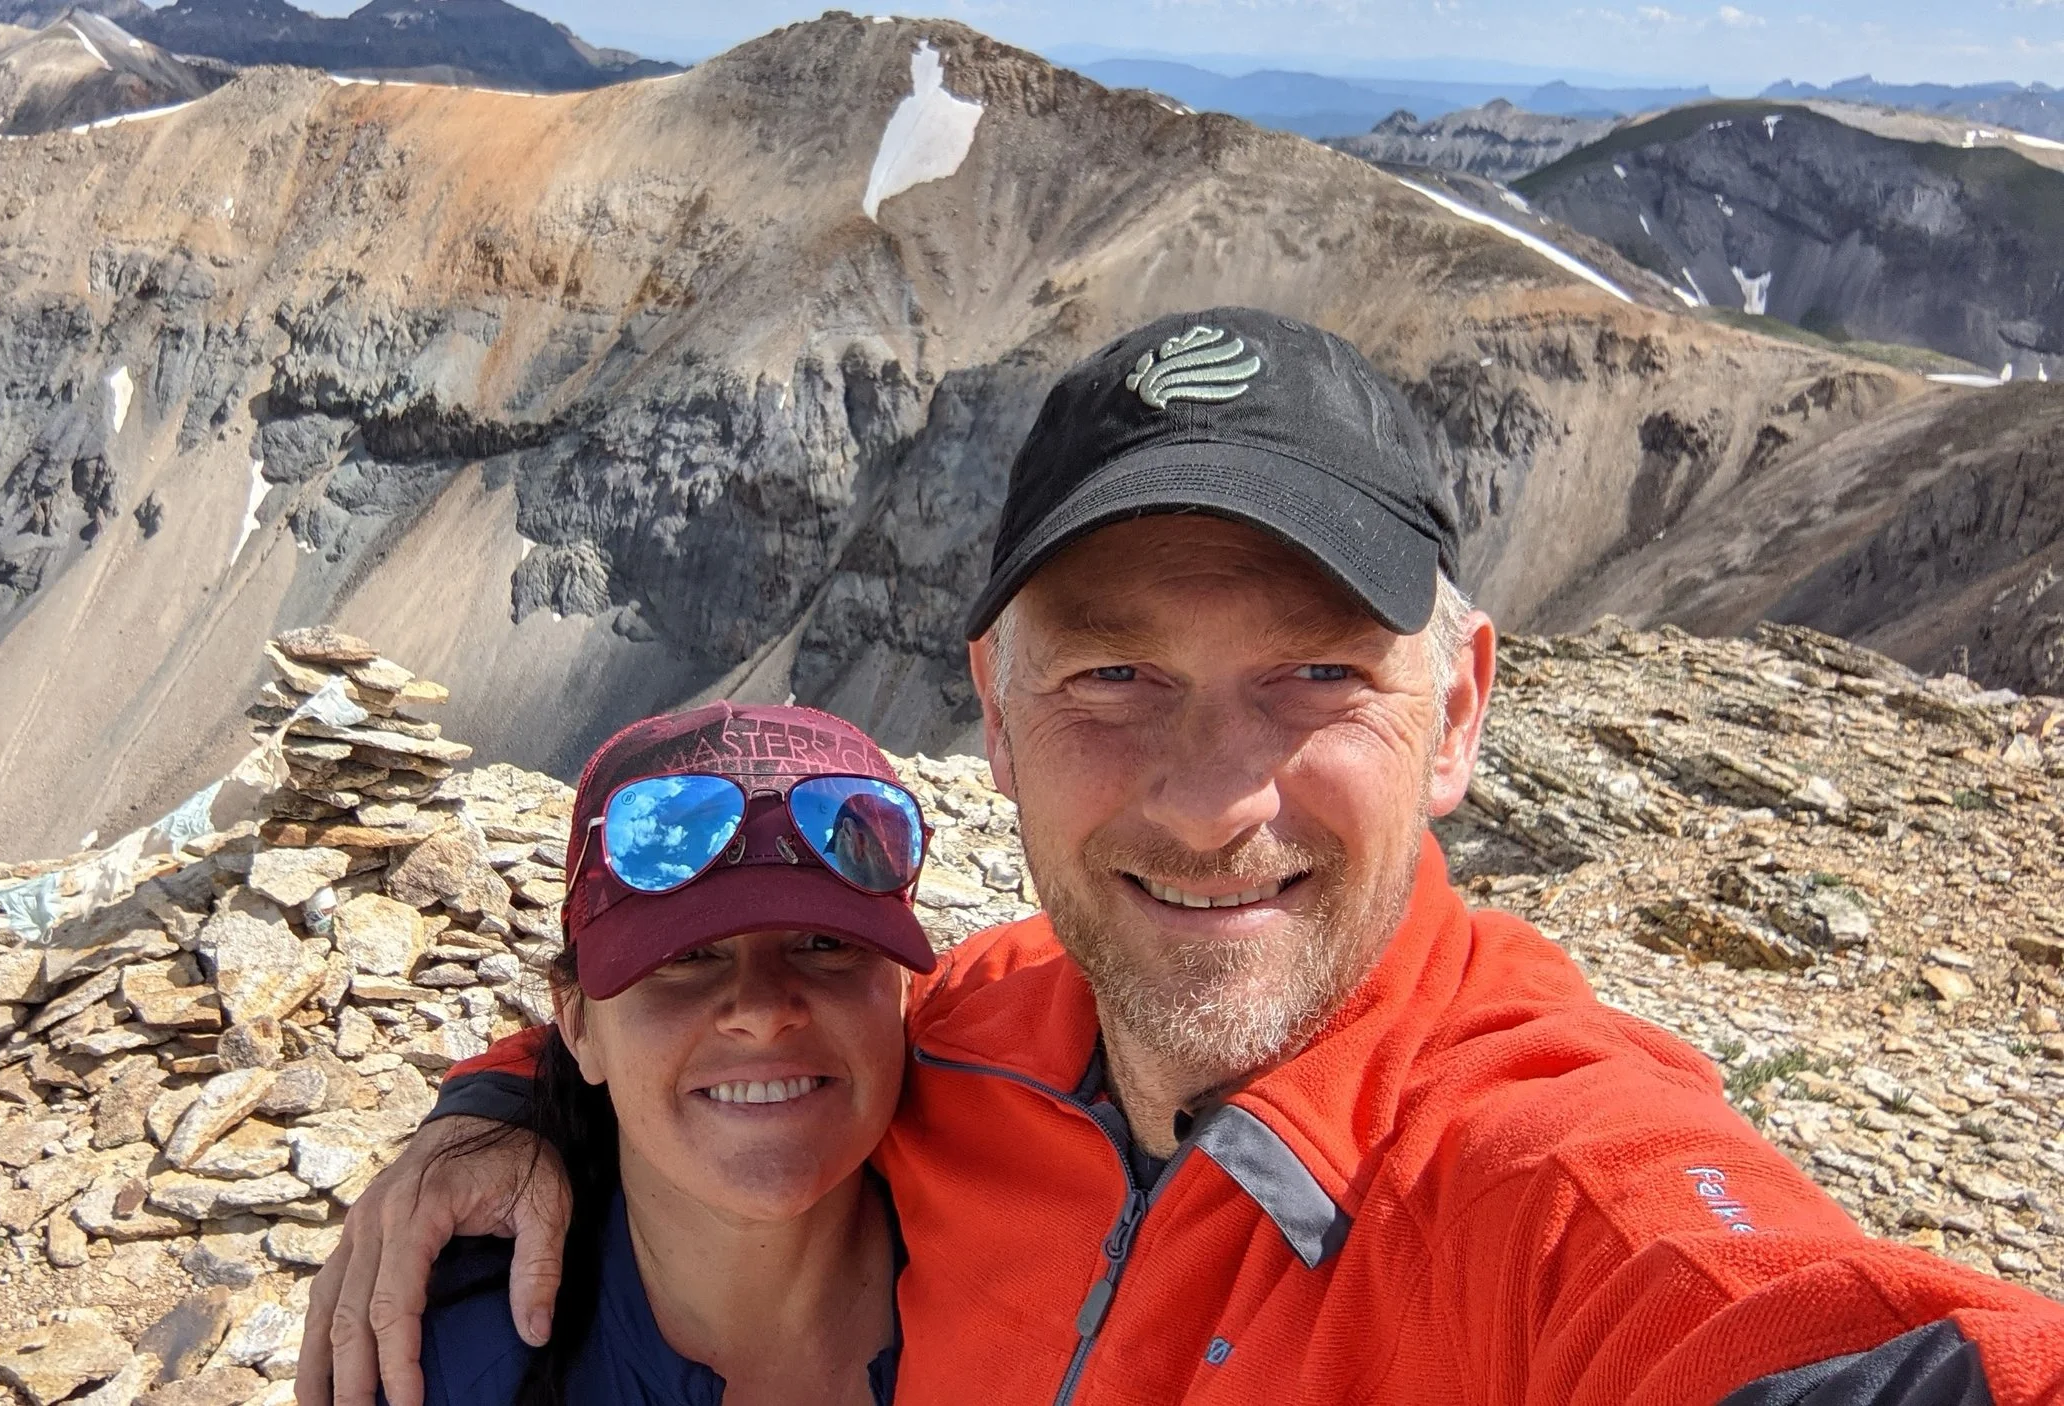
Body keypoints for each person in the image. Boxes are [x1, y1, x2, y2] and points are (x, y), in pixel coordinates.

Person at [304, 308, 2064, 1406]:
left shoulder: (1544, 1184)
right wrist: (509, 1107)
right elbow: (736, 1015)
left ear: (1459, 711)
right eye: (1116, 675)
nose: (1214, 802)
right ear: (991, 713)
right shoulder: (971, 1033)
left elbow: (1796, 1328)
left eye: (1315, 674)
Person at [391, 701, 939, 1405]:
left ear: (904, 995)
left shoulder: (1026, 1245)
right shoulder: (439, 1363)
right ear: (577, 1024)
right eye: (688, 956)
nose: (764, 1011)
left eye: (826, 945)